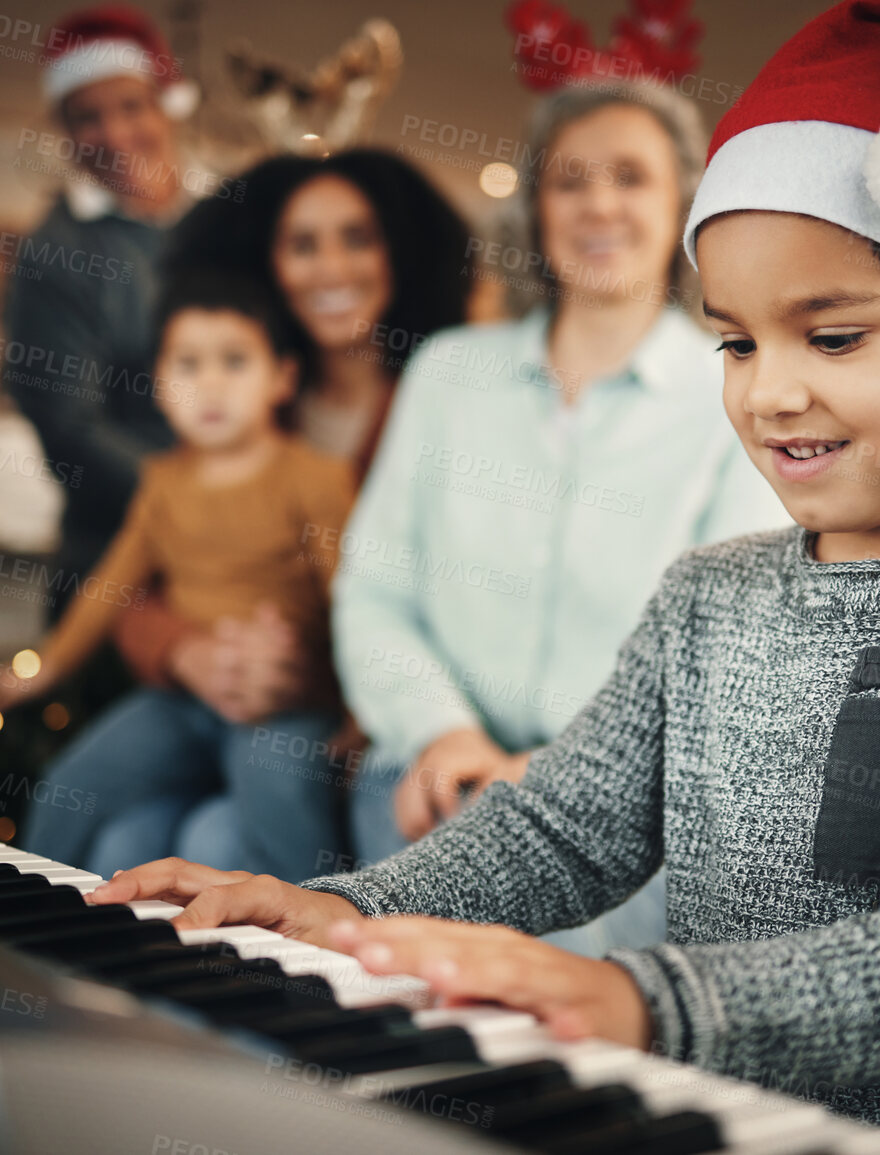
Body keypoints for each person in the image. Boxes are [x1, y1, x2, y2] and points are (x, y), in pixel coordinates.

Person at [86, 2, 880, 1151]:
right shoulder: (709, 595)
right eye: (735, 341)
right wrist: (345, 906)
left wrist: (645, 1002)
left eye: (832, 339)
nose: (768, 393)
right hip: (727, 1119)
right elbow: (564, 832)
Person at [334, 79, 791, 956]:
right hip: (430, 770)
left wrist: (556, 775)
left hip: (626, 799)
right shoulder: (446, 374)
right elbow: (374, 595)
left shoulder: (737, 391)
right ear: (537, 207)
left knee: (552, 1017)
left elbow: (725, 643)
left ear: (682, 208)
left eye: (630, 177)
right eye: (570, 180)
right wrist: (445, 733)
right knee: (396, 993)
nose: (599, 205)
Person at [0, 270, 356, 881]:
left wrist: (359, 716)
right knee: (68, 786)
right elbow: (110, 587)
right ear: (159, 384)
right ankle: (28, 924)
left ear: (282, 378)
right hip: (182, 700)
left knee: (279, 793)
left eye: (233, 362)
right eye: (188, 364)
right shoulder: (163, 484)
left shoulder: (315, 478)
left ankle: (316, 936)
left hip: (280, 706)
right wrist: (43, 668)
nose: (209, 384)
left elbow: (356, 603)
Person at [109, 152, 473, 743]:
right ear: (269, 263)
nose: (331, 268)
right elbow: (140, 580)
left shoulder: (444, 406)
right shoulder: (235, 402)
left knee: (213, 839)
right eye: (302, 245)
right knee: (127, 836)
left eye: (357, 239)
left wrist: (314, 682)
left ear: (398, 254)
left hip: (377, 733)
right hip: (218, 712)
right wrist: (186, 653)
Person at [3, 4, 200, 599]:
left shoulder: (223, 220)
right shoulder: (55, 253)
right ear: (64, 131)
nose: (113, 134)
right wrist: (206, 504)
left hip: (240, 558)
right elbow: (69, 429)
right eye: (87, 117)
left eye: (131, 106)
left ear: (166, 106)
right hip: (116, 564)